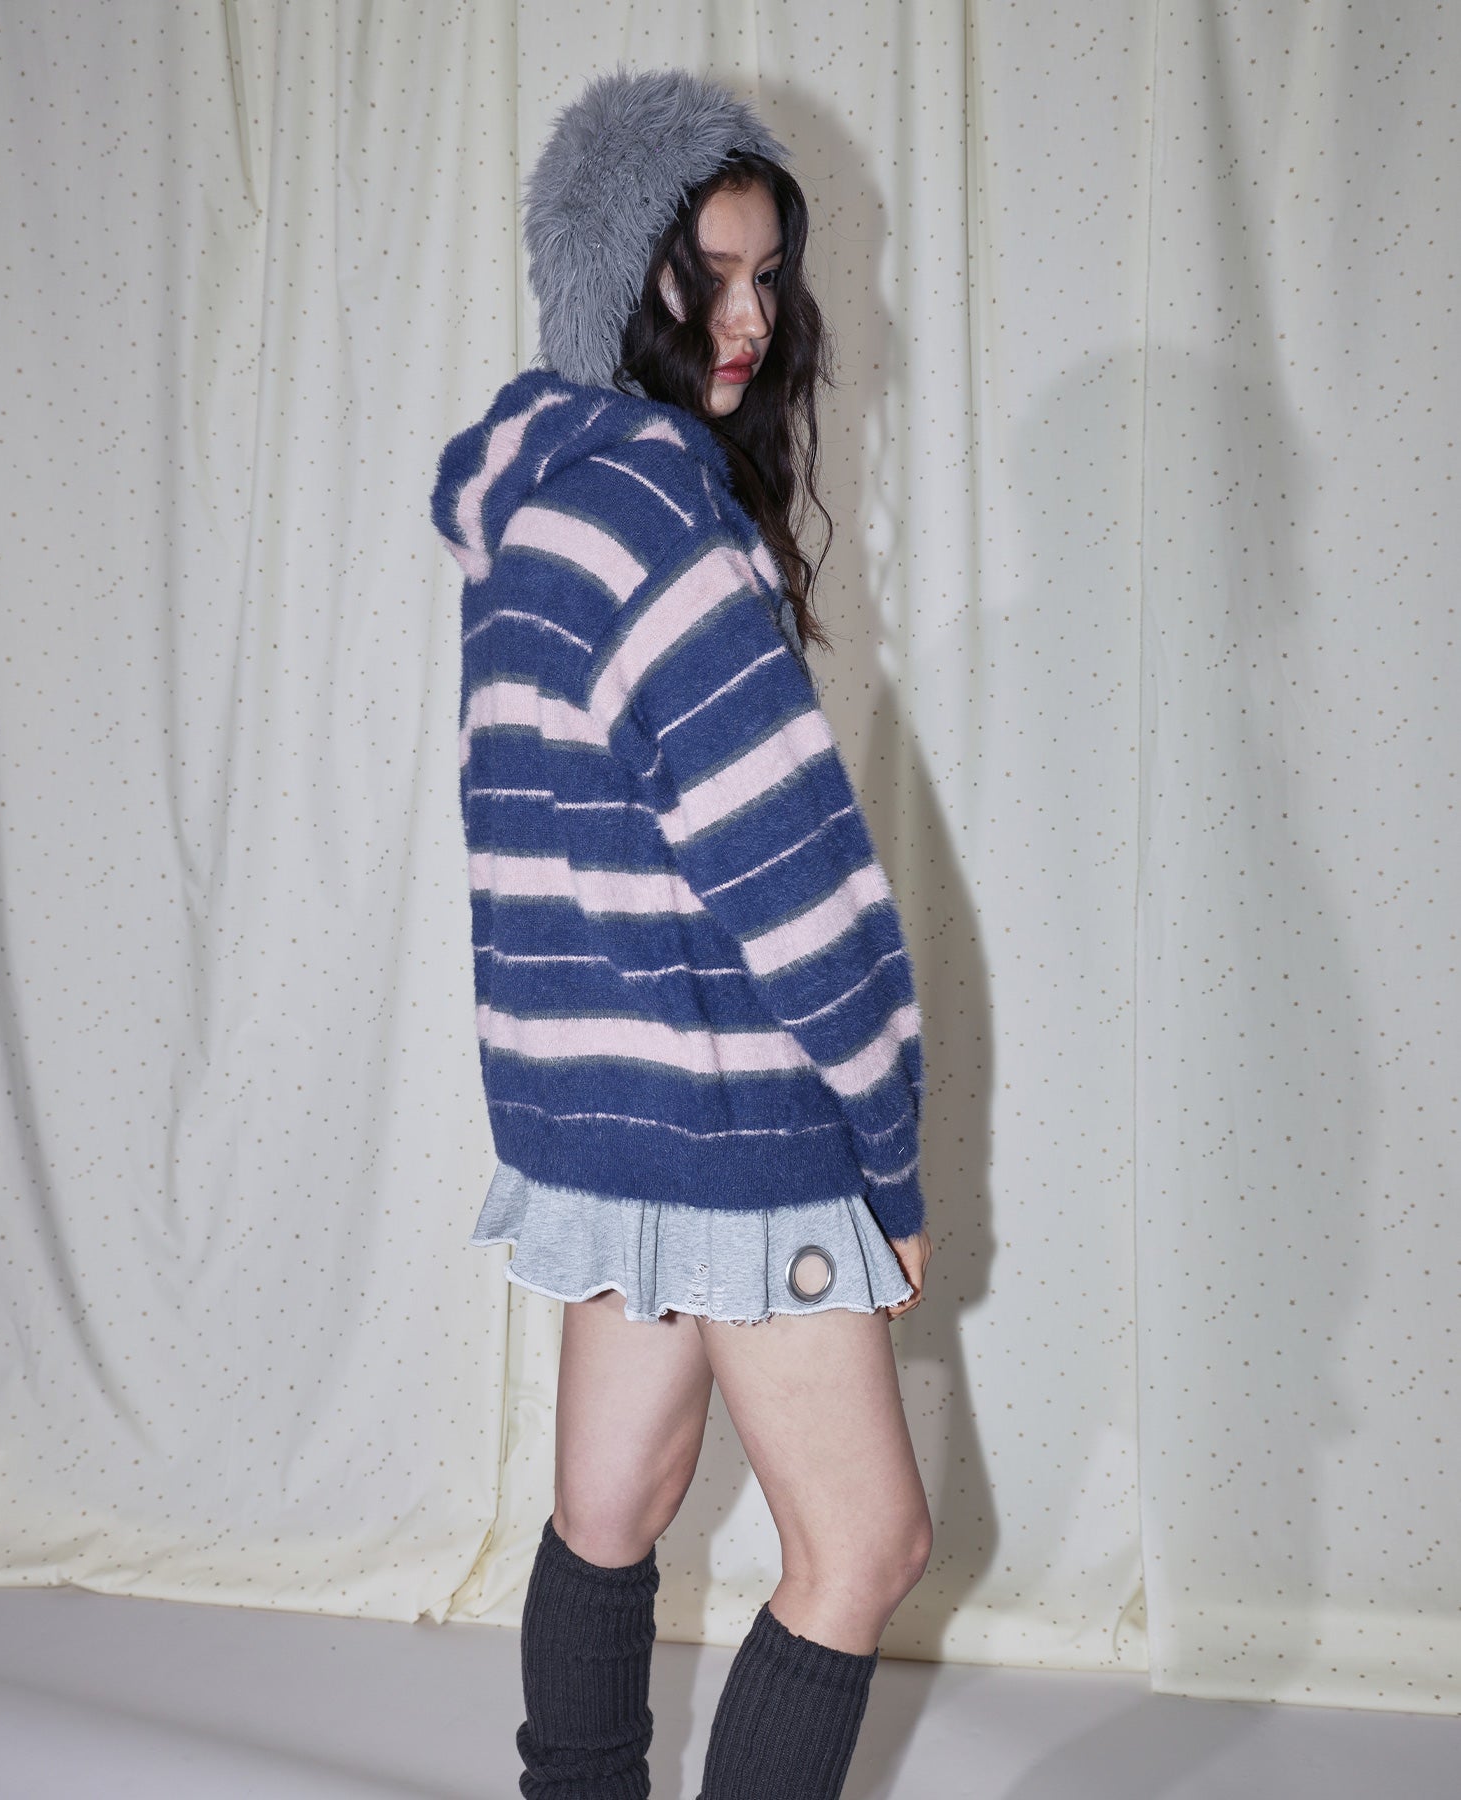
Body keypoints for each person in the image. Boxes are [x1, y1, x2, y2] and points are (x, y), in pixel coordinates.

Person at [430, 65, 934, 1800]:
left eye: (767, 277)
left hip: (597, 1118)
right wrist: (889, 1154)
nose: (748, 319)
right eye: (704, 276)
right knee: (865, 1547)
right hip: (731, 1115)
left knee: (610, 1506)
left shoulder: (534, 514)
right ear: (608, 274)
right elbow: (796, 880)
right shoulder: (657, 512)